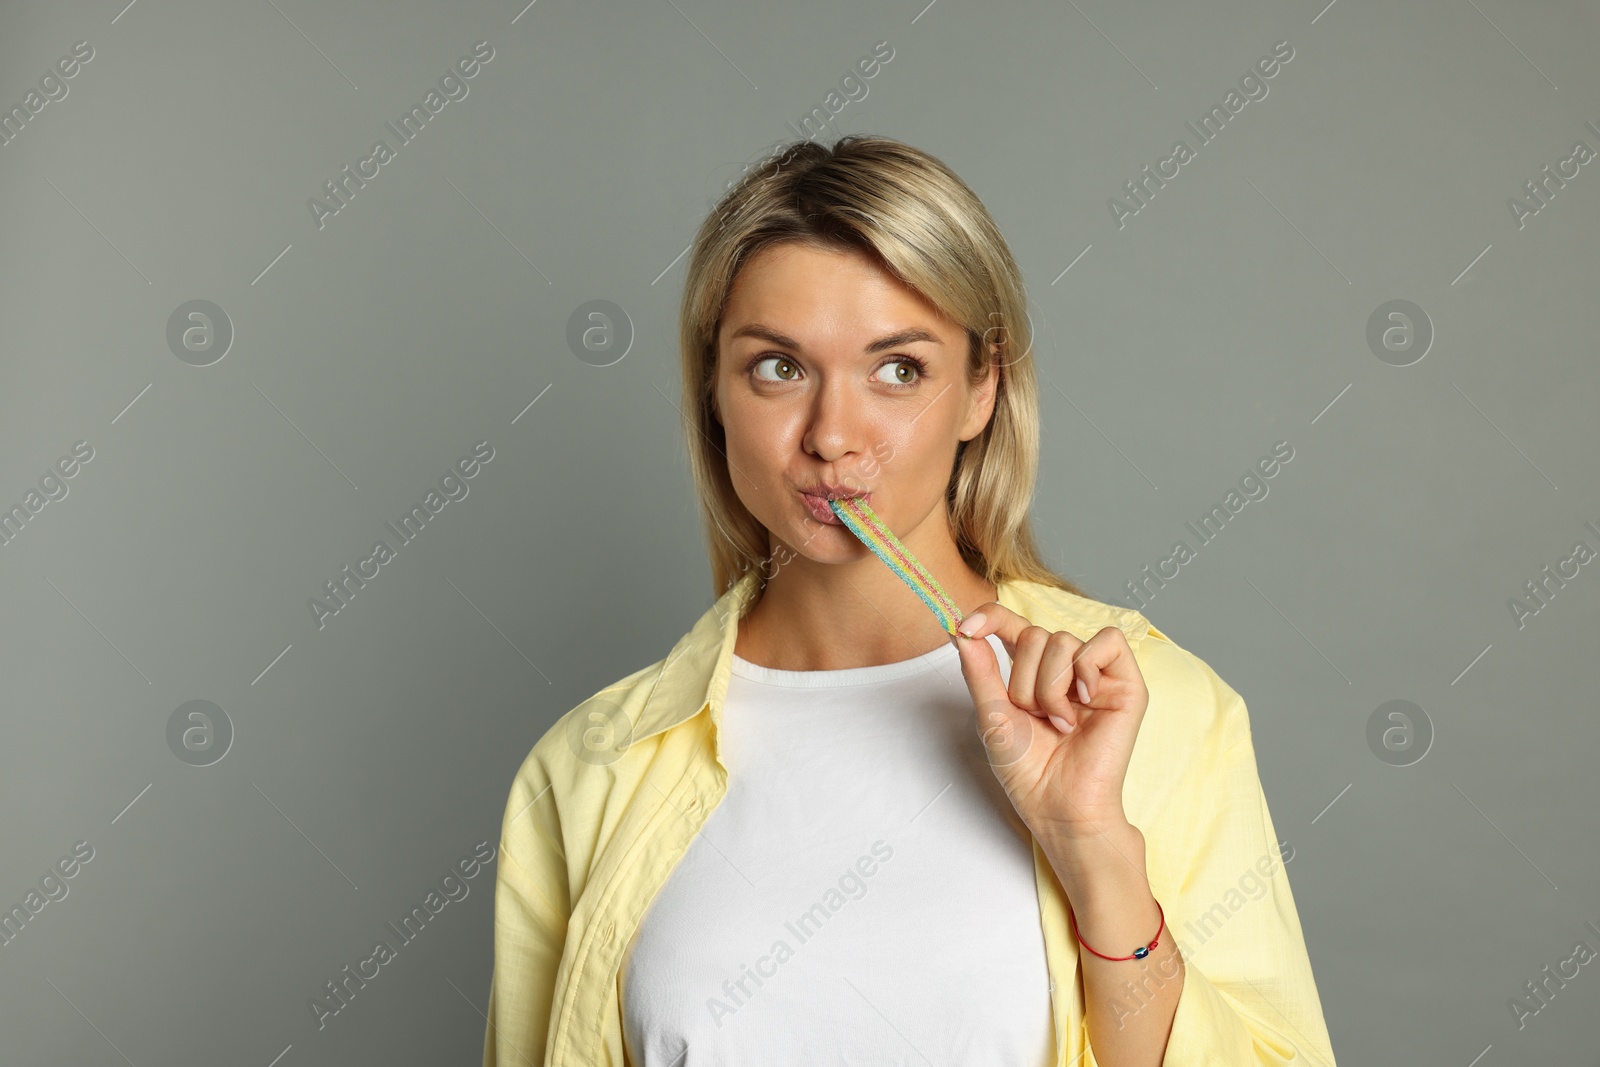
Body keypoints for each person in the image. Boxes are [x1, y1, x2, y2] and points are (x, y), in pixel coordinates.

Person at [482, 135, 1337, 1067]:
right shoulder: (588, 767)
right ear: (714, 391)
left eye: (898, 370)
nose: (834, 436)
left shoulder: (1151, 708)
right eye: (778, 366)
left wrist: (1092, 848)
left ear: (982, 389)